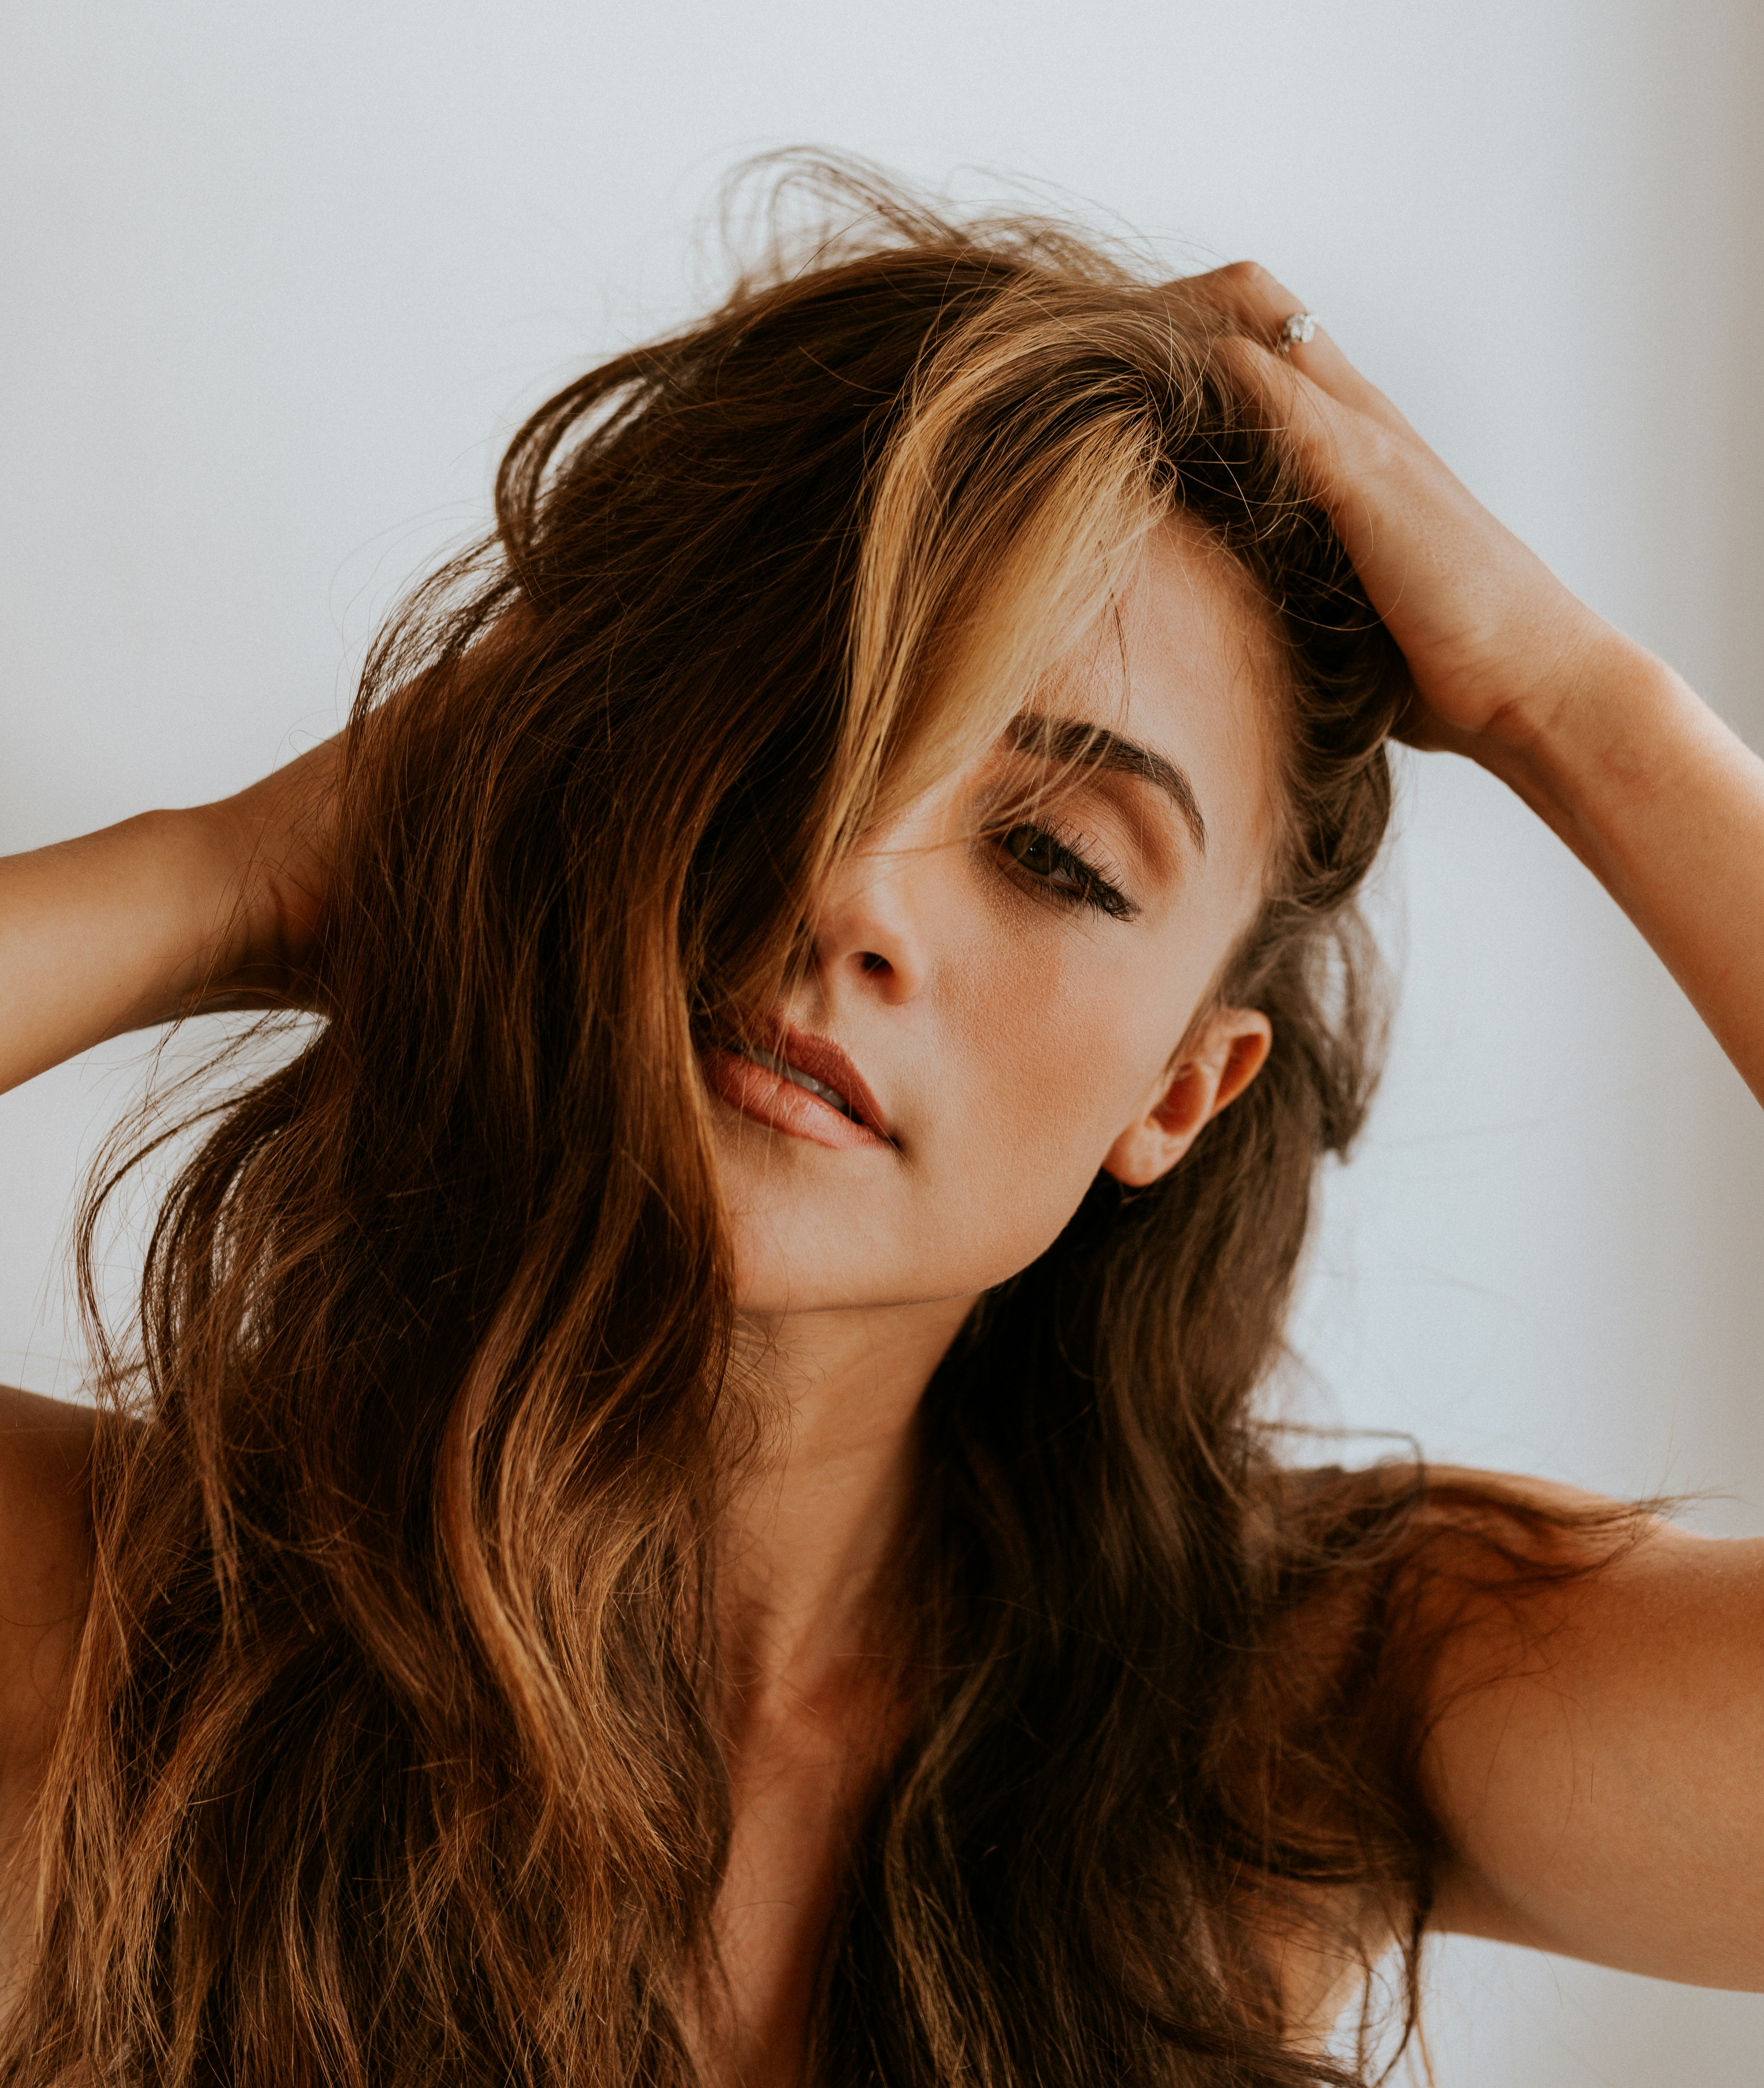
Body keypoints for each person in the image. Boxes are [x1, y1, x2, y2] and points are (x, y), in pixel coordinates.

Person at [0, 163, 1759, 2088]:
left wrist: (1578, 708)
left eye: (1053, 856)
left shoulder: (1289, 1713)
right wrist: (253, 872)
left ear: (1179, 1092)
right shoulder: (110, 1627)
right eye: (799, 737)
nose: (854, 893)